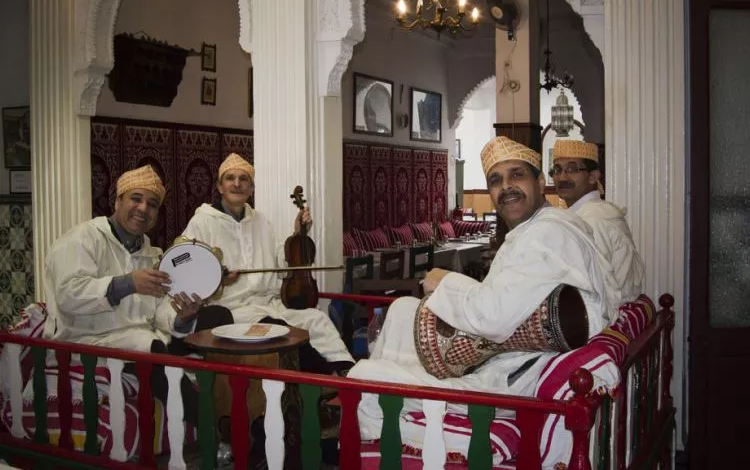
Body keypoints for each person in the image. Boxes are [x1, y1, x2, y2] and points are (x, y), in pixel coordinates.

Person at [348, 136, 617, 416]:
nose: (506, 187)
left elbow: (492, 317)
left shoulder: (545, 234)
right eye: (495, 180)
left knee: (363, 377)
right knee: (402, 313)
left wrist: (442, 281)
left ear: (539, 184)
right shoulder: (541, 229)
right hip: (516, 363)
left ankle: (369, 446)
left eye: (517, 175)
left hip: (517, 380)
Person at [43, 165, 233, 425]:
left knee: (218, 316)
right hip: (87, 340)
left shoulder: (152, 254)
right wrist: (128, 283)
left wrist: (183, 317)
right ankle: (215, 429)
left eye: (152, 204)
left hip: (140, 337)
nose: (143, 209)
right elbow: (68, 294)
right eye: (135, 199)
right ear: (117, 201)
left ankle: (230, 398)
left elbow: (160, 309)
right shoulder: (83, 239)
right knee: (150, 348)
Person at [181, 153, 355, 375]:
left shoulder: (261, 221)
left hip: (271, 303)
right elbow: (184, 268)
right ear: (219, 186)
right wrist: (216, 278)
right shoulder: (202, 222)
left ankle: (347, 372)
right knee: (275, 327)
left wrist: (297, 235)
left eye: (243, 179)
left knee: (316, 318)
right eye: (230, 178)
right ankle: (324, 378)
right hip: (233, 309)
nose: (237, 184)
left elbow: (282, 266)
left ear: (251, 188)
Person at [551, 138, 644, 306]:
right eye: (557, 170)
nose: (562, 177)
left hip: (606, 314)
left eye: (572, 169)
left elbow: (596, 291)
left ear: (593, 176)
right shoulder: (590, 211)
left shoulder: (592, 220)